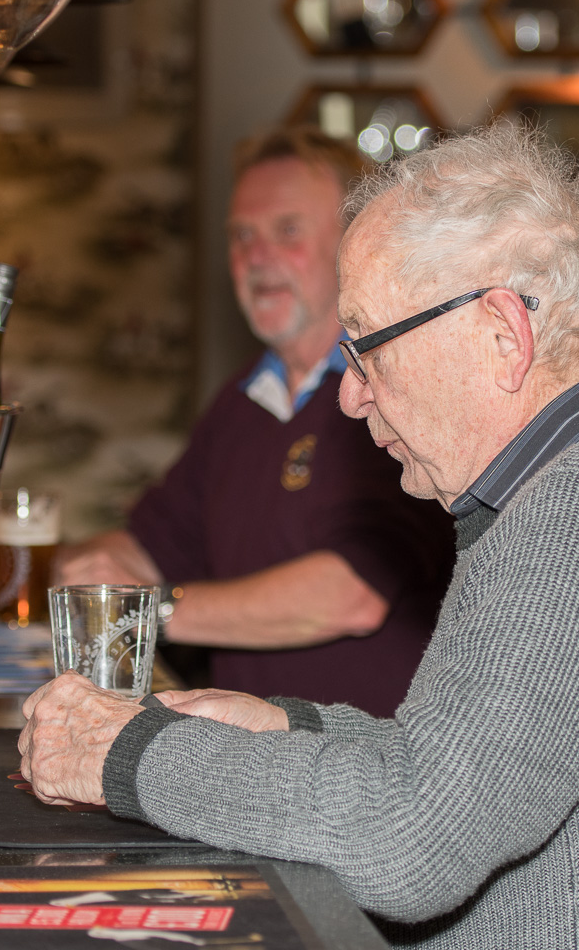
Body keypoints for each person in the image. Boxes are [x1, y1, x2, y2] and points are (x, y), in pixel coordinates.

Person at [20, 124, 579, 948]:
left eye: (368, 347)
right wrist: (284, 728)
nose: (351, 396)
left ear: (503, 335)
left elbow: (414, 842)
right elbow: (469, 767)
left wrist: (127, 752)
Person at [56, 126, 452, 717]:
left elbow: (352, 594)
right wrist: (84, 571)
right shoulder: (242, 401)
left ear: (355, 243)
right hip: (243, 759)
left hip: (368, 761)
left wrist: (150, 610)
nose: (256, 257)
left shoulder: (392, 392)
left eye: (287, 230)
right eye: (242, 235)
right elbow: (152, 543)